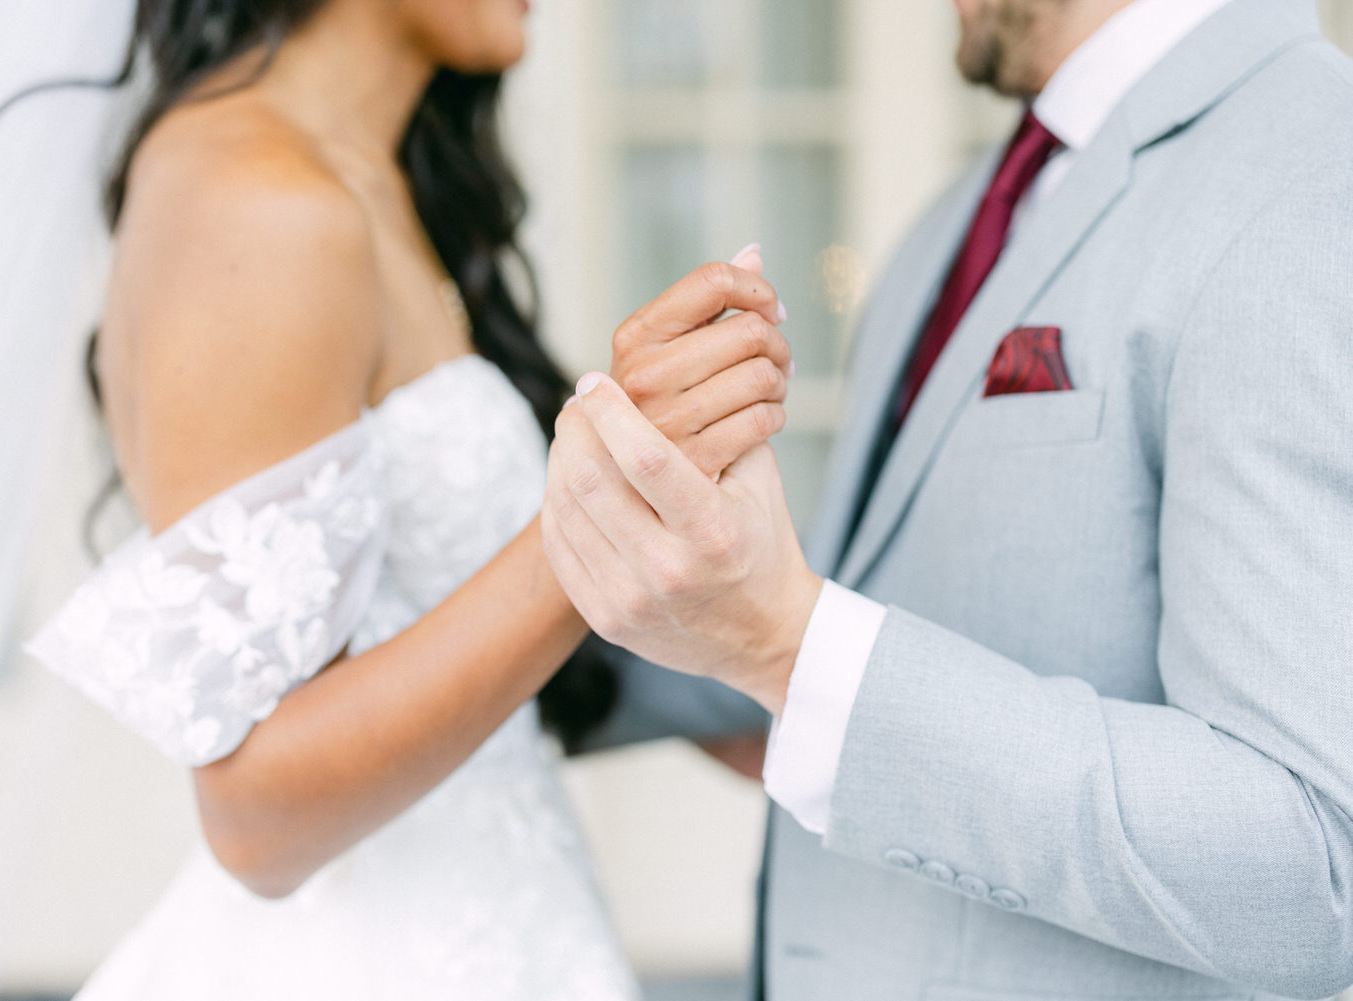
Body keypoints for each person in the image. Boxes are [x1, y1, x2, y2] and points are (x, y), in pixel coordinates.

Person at [545, 0, 1353, 997]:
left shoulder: (1316, 177)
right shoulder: (961, 219)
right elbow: (878, 615)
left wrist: (787, 644)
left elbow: (1318, 865)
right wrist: (523, 633)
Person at [23, 0, 793, 996]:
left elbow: (443, 612)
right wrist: (606, 498)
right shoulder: (254, 199)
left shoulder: (377, 177)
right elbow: (255, 812)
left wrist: (760, 682)